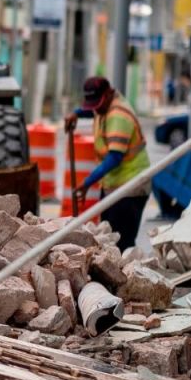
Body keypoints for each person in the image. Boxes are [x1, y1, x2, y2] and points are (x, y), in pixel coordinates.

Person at [64, 76, 150, 251]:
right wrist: (77, 113)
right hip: (113, 184)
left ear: (109, 93)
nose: (95, 108)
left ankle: (127, 276)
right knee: (107, 240)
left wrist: (88, 183)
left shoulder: (118, 115)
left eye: (98, 103)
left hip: (131, 186)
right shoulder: (103, 106)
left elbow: (115, 157)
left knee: (121, 244)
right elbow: (92, 110)